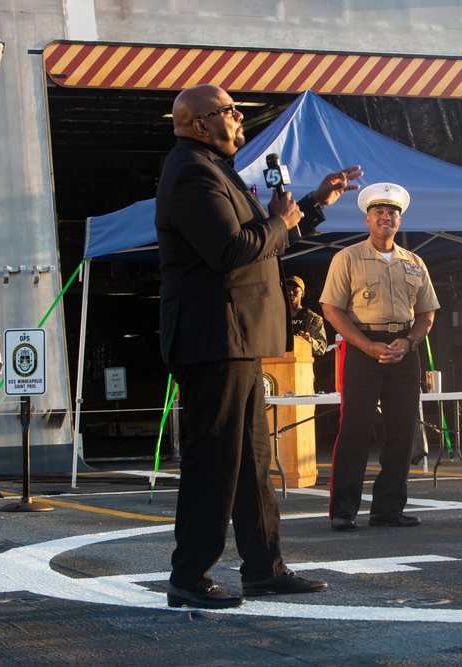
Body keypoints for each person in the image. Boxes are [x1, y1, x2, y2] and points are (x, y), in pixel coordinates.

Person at [155, 83, 362, 609]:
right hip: (213, 338)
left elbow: (262, 237)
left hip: (237, 337)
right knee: (214, 460)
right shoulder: (191, 174)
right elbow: (230, 250)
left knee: (251, 457)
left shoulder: (214, 170)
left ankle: (264, 569)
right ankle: (189, 576)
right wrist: (281, 220)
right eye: (229, 111)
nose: (240, 117)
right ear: (200, 124)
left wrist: (311, 205)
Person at [320, 183, 440, 531]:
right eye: (379, 212)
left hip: (404, 348)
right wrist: (367, 346)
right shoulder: (347, 258)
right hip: (361, 347)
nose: (386, 217)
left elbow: (427, 314)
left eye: (392, 213)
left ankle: (388, 509)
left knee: (402, 429)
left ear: (399, 220)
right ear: (368, 218)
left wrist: (410, 342)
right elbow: (332, 309)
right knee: (355, 427)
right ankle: (343, 510)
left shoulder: (414, 262)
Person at [287, 275, 328, 356]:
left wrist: (310, 341)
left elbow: (322, 347)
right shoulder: (276, 318)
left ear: (302, 293)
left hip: (303, 364)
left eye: (294, 290)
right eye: (287, 289)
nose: (290, 292)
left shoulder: (312, 318)